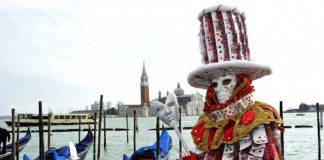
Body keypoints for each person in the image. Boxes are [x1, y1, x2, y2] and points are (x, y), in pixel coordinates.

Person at [181, 5, 283, 160]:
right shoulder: (210, 123)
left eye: (227, 81)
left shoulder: (259, 118)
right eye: (214, 85)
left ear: (241, 82)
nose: (219, 89)